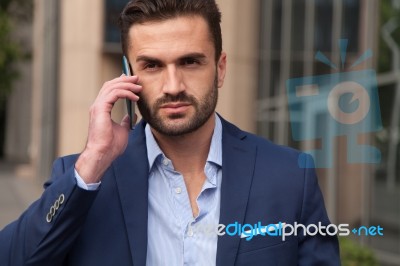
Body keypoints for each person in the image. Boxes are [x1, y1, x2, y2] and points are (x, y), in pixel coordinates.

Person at [0, 0, 340, 265]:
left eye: (190, 62)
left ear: (220, 69)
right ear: (126, 75)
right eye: (152, 66)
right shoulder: (84, 180)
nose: (173, 86)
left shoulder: (290, 178)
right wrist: (92, 161)